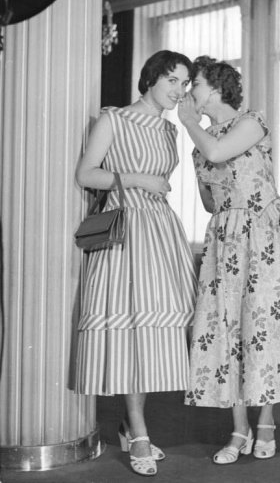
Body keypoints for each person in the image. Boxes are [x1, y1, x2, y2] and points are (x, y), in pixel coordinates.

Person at [178, 56, 280, 464]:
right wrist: (199, 141)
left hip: (265, 233)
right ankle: (238, 428)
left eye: (192, 83)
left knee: (263, 323)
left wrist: (190, 124)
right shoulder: (202, 140)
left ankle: (265, 421)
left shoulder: (252, 121)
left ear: (214, 88)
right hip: (227, 240)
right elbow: (211, 202)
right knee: (229, 328)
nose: (187, 91)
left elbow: (217, 151)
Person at [75, 50, 197, 476]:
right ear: (151, 78)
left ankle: (132, 423)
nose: (180, 91)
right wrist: (136, 179)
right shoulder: (114, 120)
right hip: (125, 231)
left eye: (185, 84)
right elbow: (87, 174)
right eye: (174, 81)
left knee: (152, 336)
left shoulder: (170, 131)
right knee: (129, 331)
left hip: (161, 232)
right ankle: (140, 432)